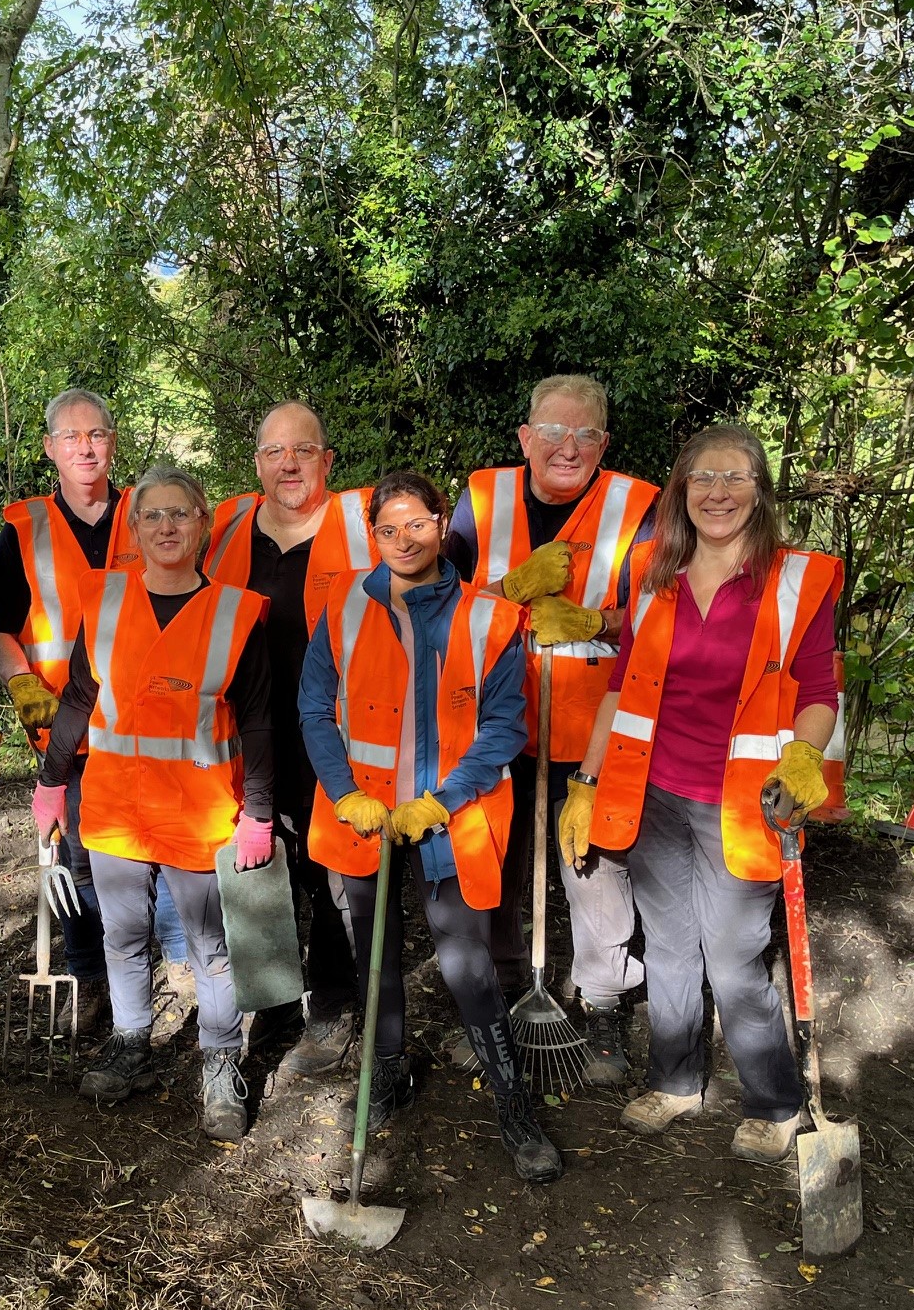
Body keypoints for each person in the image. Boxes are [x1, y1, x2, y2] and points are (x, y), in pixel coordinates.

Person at [558, 423, 840, 1163]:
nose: (718, 493)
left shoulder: (794, 579)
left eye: (736, 478)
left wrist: (807, 755)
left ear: (760, 490)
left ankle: (775, 1100)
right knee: (672, 945)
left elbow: (819, 690)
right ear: (681, 490)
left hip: (745, 804)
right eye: (703, 479)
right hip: (654, 794)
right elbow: (622, 686)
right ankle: (677, 1082)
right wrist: (586, 783)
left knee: (735, 954)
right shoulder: (652, 567)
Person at [301, 471, 565, 1184]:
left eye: (416, 524)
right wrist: (344, 791)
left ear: (442, 522)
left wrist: (443, 800)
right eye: (387, 529)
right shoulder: (342, 606)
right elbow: (315, 709)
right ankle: (388, 1073)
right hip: (363, 814)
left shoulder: (489, 616)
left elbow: (506, 724)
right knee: (375, 954)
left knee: (465, 963)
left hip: (451, 817)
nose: (403, 540)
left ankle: (512, 1100)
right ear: (373, 535)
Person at [36, 466, 275, 1141]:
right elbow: (80, 698)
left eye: (180, 514)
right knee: (122, 934)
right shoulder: (107, 601)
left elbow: (257, 720)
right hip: (114, 807)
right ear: (133, 529)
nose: (166, 528)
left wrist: (259, 810)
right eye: (152, 517)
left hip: (200, 812)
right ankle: (131, 1041)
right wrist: (53, 782)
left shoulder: (236, 612)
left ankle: (221, 1061)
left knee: (211, 948)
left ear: (204, 524)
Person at [448, 374, 661, 1087]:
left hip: (591, 730)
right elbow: (436, 601)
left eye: (586, 434)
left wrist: (596, 620)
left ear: (605, 443)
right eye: (553, 431)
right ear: (525, 437)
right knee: (496, 862)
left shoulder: (640, 508)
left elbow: (665, 621)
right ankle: (507, 995)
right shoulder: (481, 499)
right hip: (493, 723)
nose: (567, 448)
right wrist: (509, 590)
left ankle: (603, 1004)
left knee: (593, 867)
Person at [0, 388, 189, 1021]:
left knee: (165, 839)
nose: (84, 446)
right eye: (70, 437)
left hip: (151, 721)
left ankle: (180, 965)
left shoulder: (149, 514)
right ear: (49, 449)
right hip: (65, 726)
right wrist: (19, 683)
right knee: (79, 853)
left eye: (96, 434)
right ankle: (89, 975)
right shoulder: (24, 528)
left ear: (113, 442)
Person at [202, 401, 365, 1079]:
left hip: (339, 731)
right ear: (258, 463)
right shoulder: (227, 524)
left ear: (328, 460)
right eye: (275, 452)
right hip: (252, 731)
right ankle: (273, 998)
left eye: (304, 450)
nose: (289, 463)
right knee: (261, 863)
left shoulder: (362, 523)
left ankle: (333, 1007)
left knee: (334, 870)